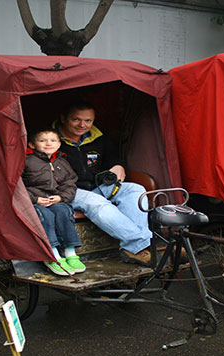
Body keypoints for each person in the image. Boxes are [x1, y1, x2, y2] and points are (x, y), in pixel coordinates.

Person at [53, 101, 154, 266]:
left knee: (136, 190)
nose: (82, 125)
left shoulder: (98, 136)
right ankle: (142, 244)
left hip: (97, 186)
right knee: (96, 202)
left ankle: (133, 248)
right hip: (68, 190)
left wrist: (118, 166)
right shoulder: (49, 140)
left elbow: (113, 158)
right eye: (76, 120)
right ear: (63, 118)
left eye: (88, 121)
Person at [22, 128, 86, 276]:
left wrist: (61, 197)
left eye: (53, 140)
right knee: (46, 216)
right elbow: (17, 184)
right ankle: (52, 254)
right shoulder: (26, 161)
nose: (48, 144)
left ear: (59, 144)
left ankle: (70, 252)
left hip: (55, 199)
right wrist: (34, 199)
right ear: (32, 144)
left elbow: (70, 183)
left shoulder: (61, 161)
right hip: (35, 201)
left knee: (64, 211)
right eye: (42, 140)